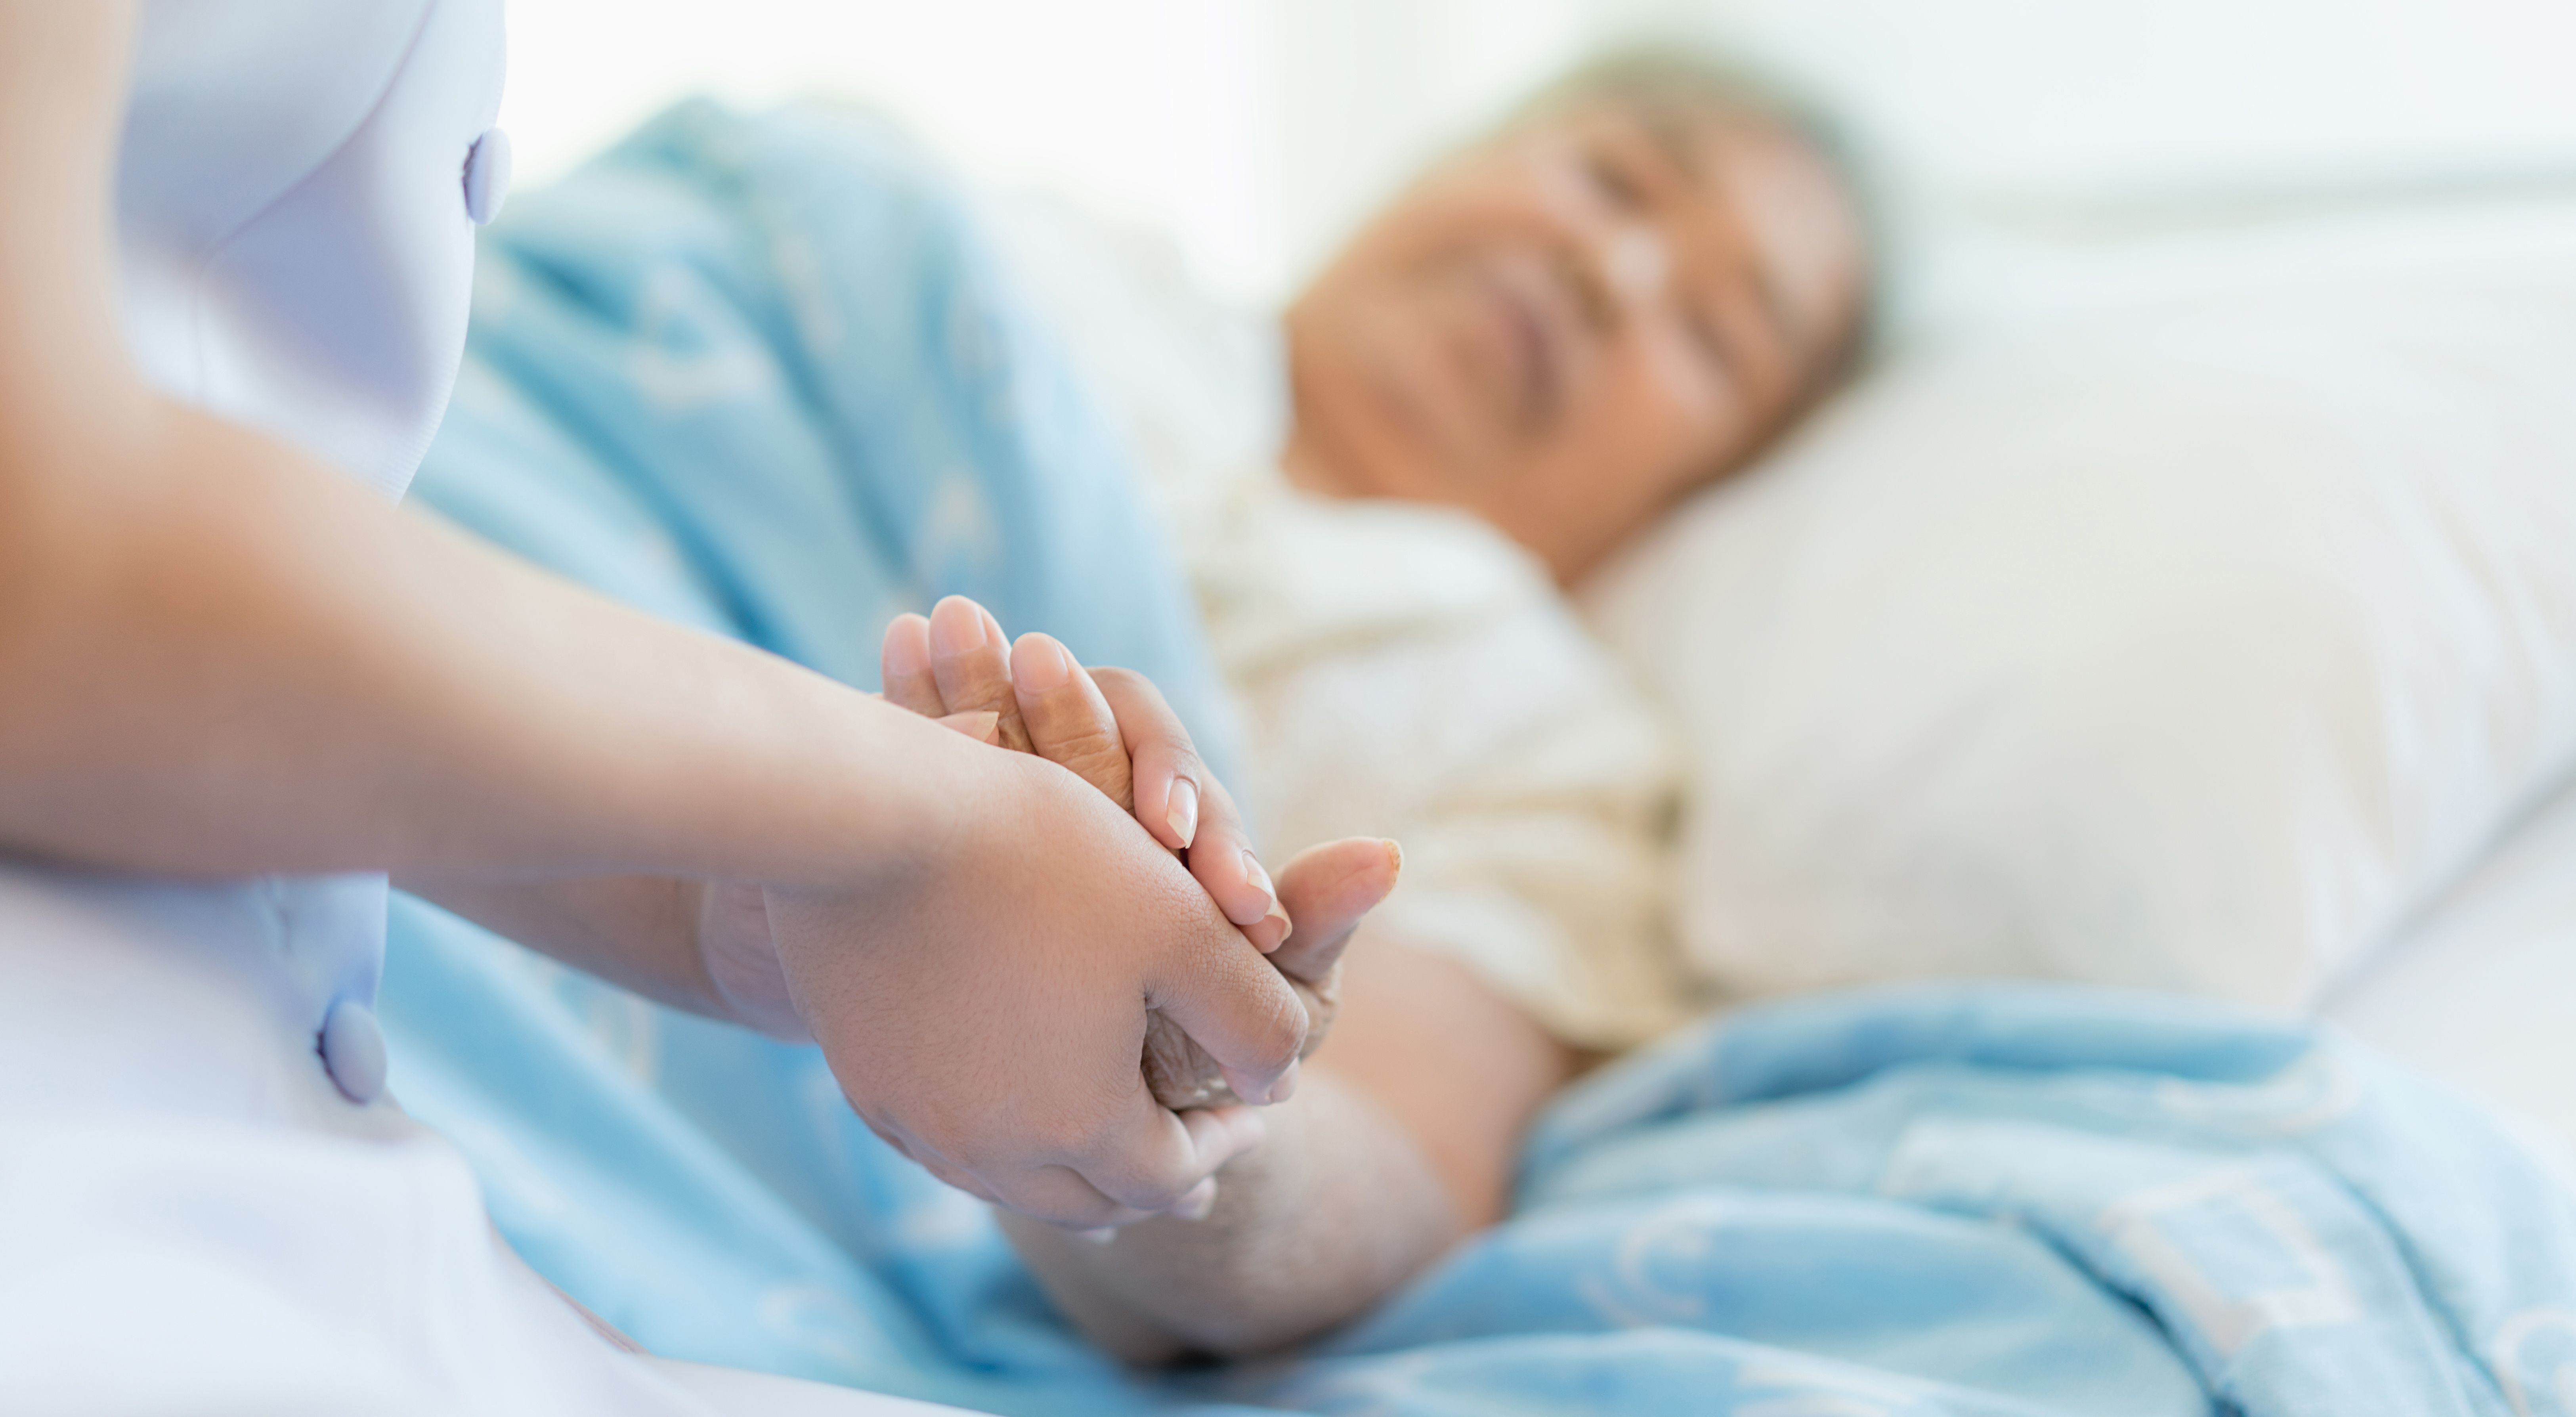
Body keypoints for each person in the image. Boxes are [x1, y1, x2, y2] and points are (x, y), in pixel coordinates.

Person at [0, 3, 1351, 1409]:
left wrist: (737, 917)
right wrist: (893, 819)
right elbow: (44, 555)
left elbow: (198, 598)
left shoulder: (1456, 675)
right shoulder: (852, 220)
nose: (1539, 282)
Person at [964, 49, 1874, 1358]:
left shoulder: (1552, 748)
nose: (1611, 272)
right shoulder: (1020, 254)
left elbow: (1392, 1166)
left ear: (1710, 482)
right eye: (1611, 178)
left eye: (1711, 333)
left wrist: (1144, 1100)